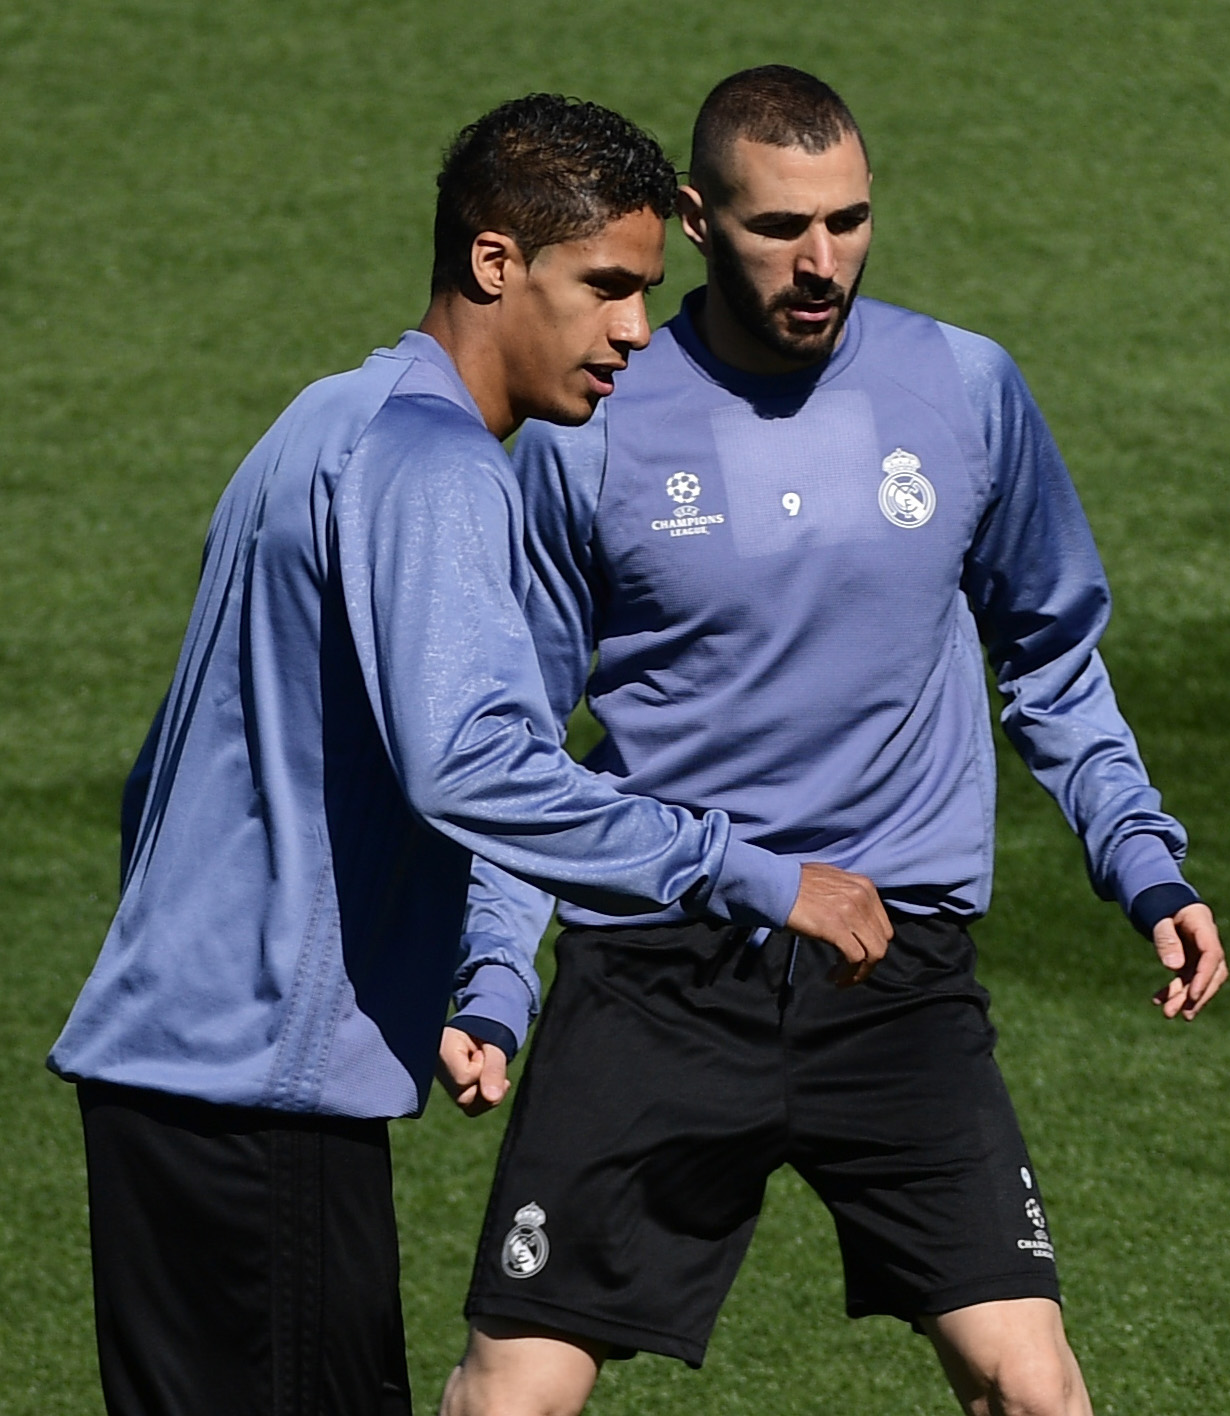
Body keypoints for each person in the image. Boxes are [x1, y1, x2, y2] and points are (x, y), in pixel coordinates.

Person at [48, 93, 893, 1416]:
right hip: (259, 1095)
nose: (632, 329)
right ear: (496, 262)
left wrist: (461, 964)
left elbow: (166, 769)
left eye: (647, 290)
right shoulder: (435, 466)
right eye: (605, 285)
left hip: (180, 1078)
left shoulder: (327, 421)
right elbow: (479, 768)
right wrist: (757, 874)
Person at [439, 66, 1227, 1416]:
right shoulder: (596, 427)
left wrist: (1144, 863)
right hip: (657, 970)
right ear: (696, 218)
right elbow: (523, 743)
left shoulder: (966, 389)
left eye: (848, 222)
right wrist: (495, 976)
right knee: (513, 1394)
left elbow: (1050, 653)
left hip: (895, 974)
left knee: (1034, 1388)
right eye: (778, 229)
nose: (821, 263)